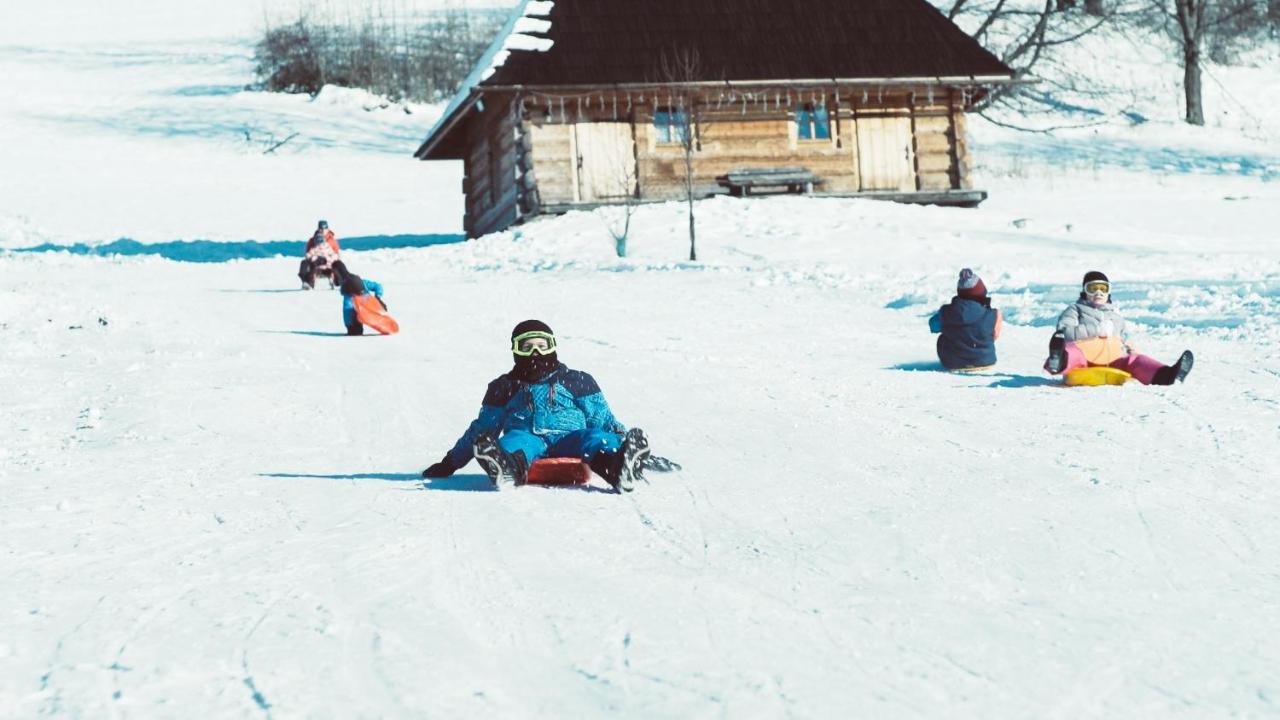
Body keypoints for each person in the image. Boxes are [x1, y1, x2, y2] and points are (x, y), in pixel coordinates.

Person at [421, 320, 650, 492]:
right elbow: (483, 428)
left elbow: (603, 419)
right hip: (529, 437)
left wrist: (624, 444)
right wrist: (450, 462)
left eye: (542, 345)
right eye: (526, 346)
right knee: (511, 442)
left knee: (595, 437)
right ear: (515, 350)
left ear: (553, 346)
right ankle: (507, 469)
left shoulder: (577, 380)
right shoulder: (504, 386)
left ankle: (617, 466)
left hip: (571, 437)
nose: (536, 353)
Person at [1044, 271, 1193, 385]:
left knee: (1136, 360)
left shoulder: (1115, 315)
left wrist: (1131, 349)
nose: (1098, 293)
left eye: (1103, 288)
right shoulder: (1075, 309)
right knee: (1072, 352)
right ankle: (1057, 361)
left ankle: (1167, 375)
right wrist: (1095, 329)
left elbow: (1124, 337)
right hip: (1084, 358)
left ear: (1109, 292)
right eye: (1093, 288)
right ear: (1085, 292)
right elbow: (1064, 332)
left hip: (1112, 359)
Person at [928, 268, 1002, 370]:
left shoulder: (947, 312)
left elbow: (933, 326)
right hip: (986, 361)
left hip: (953, 363)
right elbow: (994, 335)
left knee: (942, 338)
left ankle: (957, 359)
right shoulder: (991, 314)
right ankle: (980, 358)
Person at [330, 261, 384, 336]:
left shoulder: (347, 288)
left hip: (358, 310)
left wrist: (350, 327)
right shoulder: (362, 282)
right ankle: (380, 314)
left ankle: (355, 326)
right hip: (368, 302)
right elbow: (377, 286)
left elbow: (347, 309)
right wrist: (378, 297)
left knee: (350, 308)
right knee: (353, 307)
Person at [298, 220, 341, 290]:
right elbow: (308, 252)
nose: (323, 230)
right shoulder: (313, 240)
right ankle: (307, 282)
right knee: (305, 263)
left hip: (329, 262)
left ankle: (340, 282)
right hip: (315, 262)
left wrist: (328, 259)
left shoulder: (332, 240)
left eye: (325, 228)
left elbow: (336, 253)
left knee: (338, 265)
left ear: (328, 229)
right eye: (321, 229)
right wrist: (314, 258)